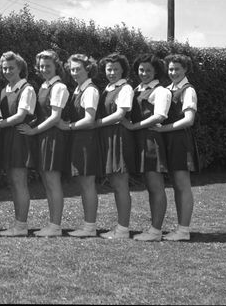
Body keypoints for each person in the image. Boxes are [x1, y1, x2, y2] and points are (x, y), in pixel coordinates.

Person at [17, 50, 69, 237]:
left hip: (52, 136)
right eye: (41, 66)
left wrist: (34, 130)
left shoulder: (59, 87)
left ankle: (55, 226)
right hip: (43, 136)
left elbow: (55, 117)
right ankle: (52, 224)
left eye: (48, 65)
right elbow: (42, 115)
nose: (44, 69)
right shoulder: (44, 86)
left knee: (53, 181)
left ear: (56, 66)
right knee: (47, 181)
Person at [120, 53, 171, 241]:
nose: (144, 73)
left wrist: (133, 126)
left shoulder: (161, 91)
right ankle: (153, 228)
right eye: (141, 70)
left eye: (148, 70)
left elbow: (159, 117)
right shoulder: (136, 89)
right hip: (139, 141)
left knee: (155, 186)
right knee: (149, 186)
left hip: (152, 141)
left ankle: (156, 231)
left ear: (156, 71)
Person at [0, 51, 37, 237]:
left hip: (19, 138)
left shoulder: (27, 89)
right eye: (4, 68)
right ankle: (18, 224)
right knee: (13, 182)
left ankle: (21, 226)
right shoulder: (5, 89)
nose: (7, 71)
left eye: (11, 68)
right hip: (8, 137)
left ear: (20, 68)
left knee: (19, 182)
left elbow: (21, 116)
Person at [151, 54, 200, 241]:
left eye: (177, 69)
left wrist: (163, 129)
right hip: (167, 140)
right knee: (176, 185)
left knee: (182, 185)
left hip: (180, 140)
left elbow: (189, 120)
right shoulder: (166, 89)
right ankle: (180, 228)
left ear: (185, 69)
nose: (173, 73)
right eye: (170, 69)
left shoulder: (188, 90)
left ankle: (183, 230)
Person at [57, 54, 100, 237]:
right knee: (83, 183)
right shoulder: (78, 89)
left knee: (87, 183)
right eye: (72, 69)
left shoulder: (90, 90)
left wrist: (68, 126)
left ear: (88, 69)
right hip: (78, 139)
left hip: (86, 140)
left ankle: (90, 227)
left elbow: (90, 120)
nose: (74, 73)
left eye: (78, 69)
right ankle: (87, 225)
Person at [95, 53, 136, 239]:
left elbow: (120, 114)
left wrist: (97, 123)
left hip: (119, 137)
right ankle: (120, 226)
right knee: (114, 182)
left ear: (123, 70)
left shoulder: (125, 88)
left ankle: (123, 229)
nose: (112, 73)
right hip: (108, 137)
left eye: (115, 69)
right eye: (108, 69)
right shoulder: (108, 88)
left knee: (120, 184)